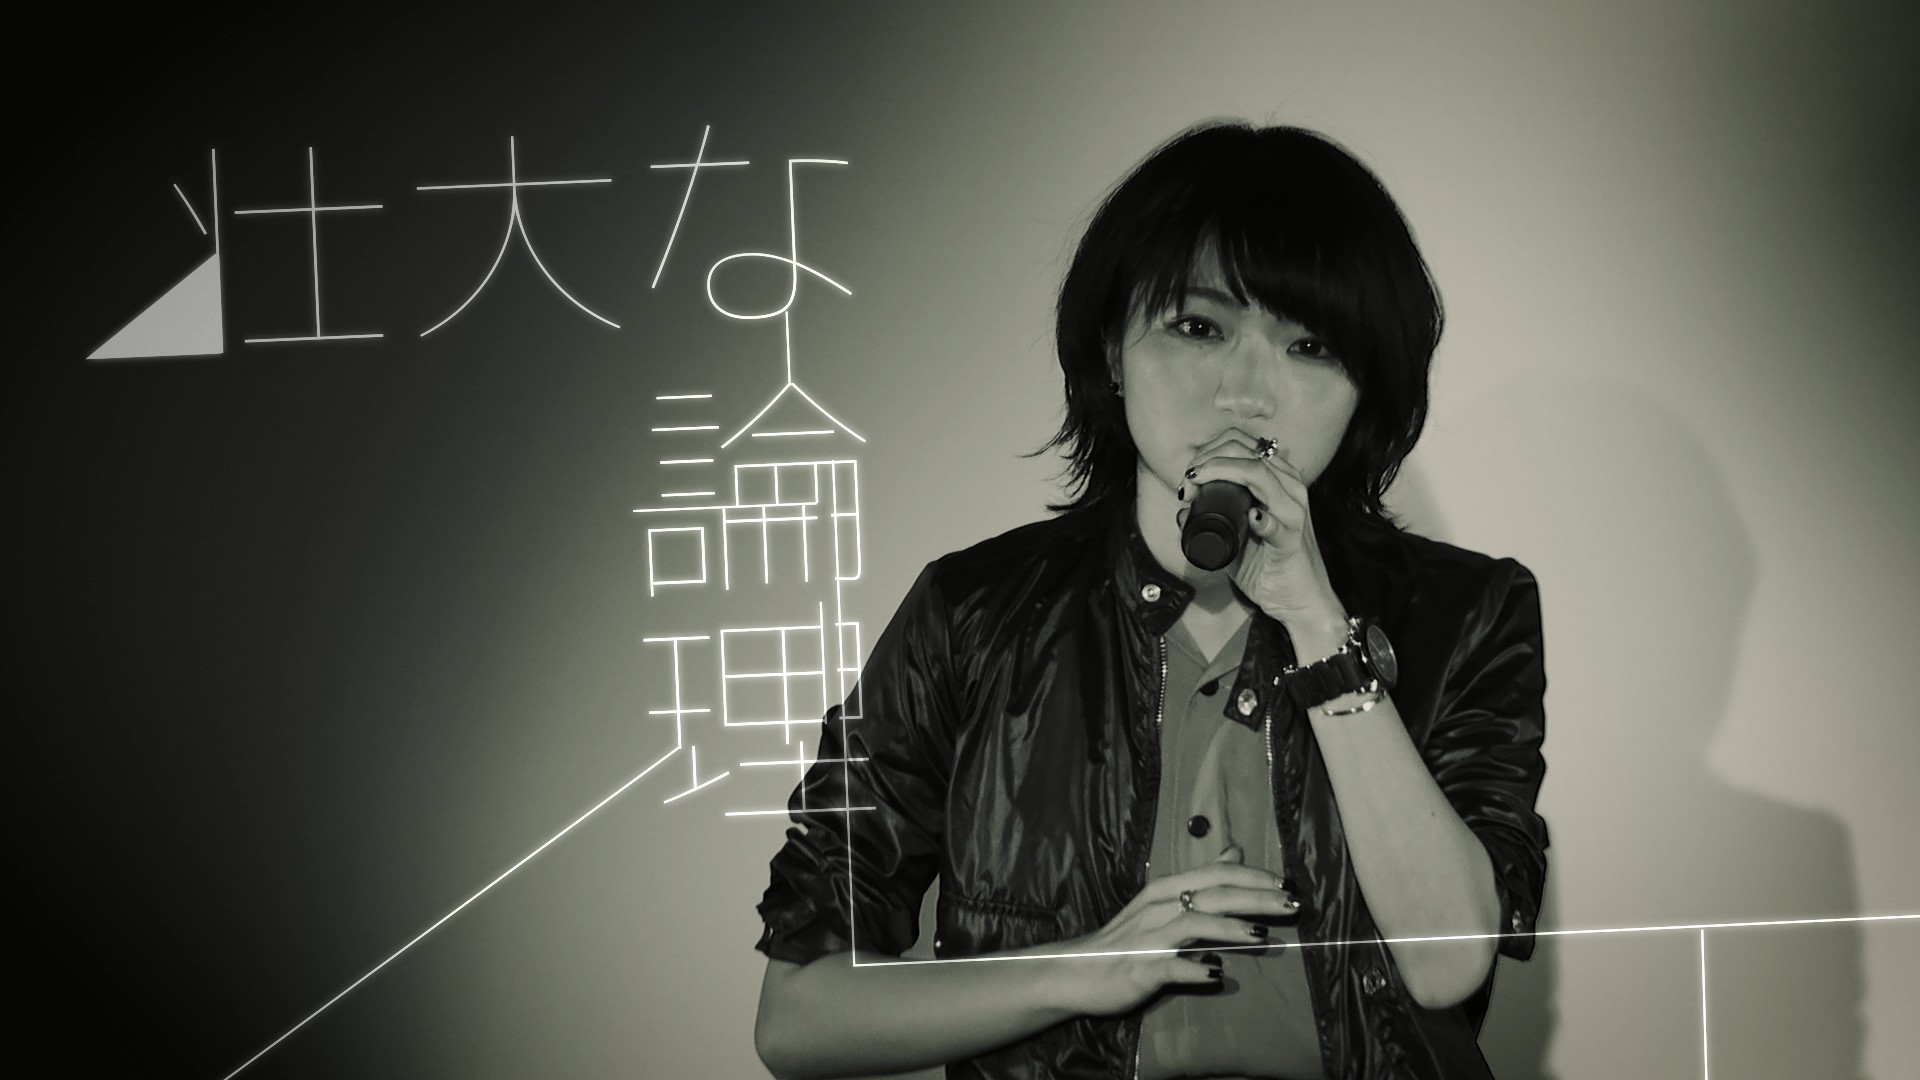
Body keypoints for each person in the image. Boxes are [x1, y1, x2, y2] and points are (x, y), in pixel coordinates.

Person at [749, 121, 1549, 1080]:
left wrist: (1316, 624)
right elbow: (799, 1015)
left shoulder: (1466, 612)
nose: (1246, 393)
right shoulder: (971, 614)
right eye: (1198, 328)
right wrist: (1082, 971)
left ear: (1363, 390)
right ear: (1112, 349)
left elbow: (1447, 965)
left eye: (1311, 345)